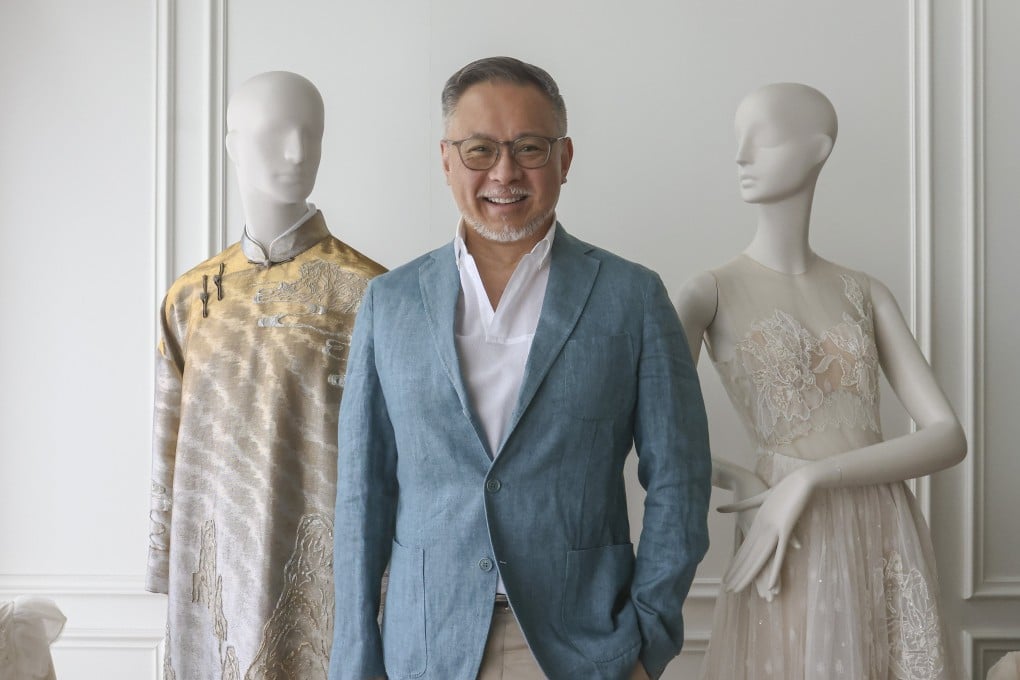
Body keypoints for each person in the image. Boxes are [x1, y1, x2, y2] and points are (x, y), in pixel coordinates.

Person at [330, 56, 712, 680]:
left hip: (585, 649)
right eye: (480, 149)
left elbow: (681, 478)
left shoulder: (632, 296)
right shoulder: (389, 303)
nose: (504, 172)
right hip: (424, 649)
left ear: (564, 158)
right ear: (447, 158)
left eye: (528, 147)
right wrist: (354, 661)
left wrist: (649, 639)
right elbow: (362, 493)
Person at [675, 82, 966, 679]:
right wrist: (737, 476)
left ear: (817, 150)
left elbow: (948, 437)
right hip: (788, 529)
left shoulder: (865, 291)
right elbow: (653, 435)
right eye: (740, 140)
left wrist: (811, 475)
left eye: (764, 138)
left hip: (882, 522)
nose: (742, 156)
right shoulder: (708, 293)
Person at [147, 71, 385, 679]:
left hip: (326, 575)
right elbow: (167, 445)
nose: (297, 152)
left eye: (311, 134)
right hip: (210, 584)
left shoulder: (375, 293)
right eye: (275, 133)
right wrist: (162, 558)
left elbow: (399, 454)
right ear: (230, 142)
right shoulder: (190, 297)